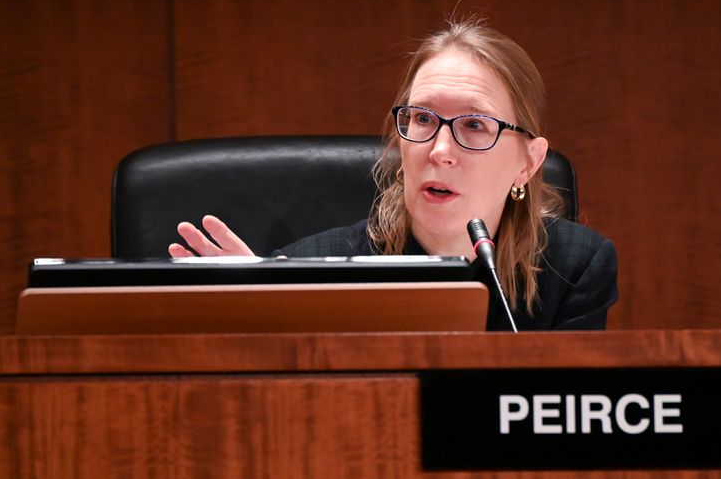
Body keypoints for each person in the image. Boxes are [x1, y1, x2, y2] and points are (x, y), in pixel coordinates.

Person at [168, 19, 619, 331]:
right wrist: (269, 318)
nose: (440, 151)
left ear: (530, 161)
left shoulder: (575, 268)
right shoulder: (310, 271)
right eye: (422, 120)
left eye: (475, 125)